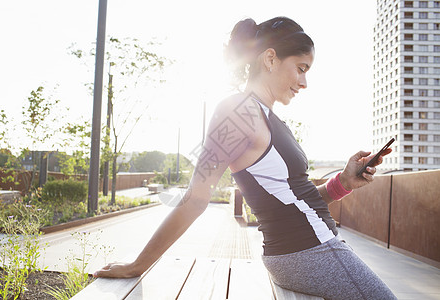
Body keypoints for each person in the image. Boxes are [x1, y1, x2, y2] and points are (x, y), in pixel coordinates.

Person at [94, 16, 397, 299]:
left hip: (309, 250)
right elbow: (196, 197)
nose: (304, 83)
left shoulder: (269, 118)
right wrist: (138, 264)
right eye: (301, 68)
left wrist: (343, 182)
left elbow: (292, 199)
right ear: (270, 58)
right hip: (309, 252)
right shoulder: (237, 113)